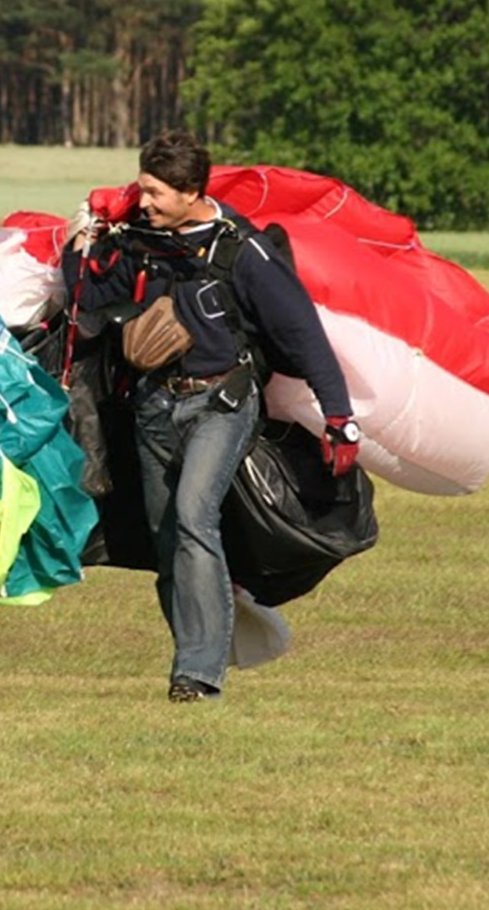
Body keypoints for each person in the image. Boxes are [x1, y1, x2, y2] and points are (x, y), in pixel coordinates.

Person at [67, 130, 360, 703]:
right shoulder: (140, 244)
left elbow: (302, 336)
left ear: (190, 191)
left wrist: (339, 416)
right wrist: (83, 247)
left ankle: (197, 674)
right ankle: (200, 642)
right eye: (141, 189)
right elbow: (90, 303)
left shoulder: (242, 252)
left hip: (222, 404)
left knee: (194, 515)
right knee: (166, 536)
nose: (143, 201)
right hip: (155, 405)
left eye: (153, 192)